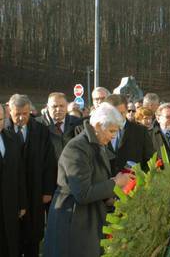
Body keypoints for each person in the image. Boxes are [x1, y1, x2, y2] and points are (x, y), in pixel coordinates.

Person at [44, 103, 135, 257]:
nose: (113, 136)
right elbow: (83, 193)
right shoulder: (77, 148)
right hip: (74, 225)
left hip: (89, 221)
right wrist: (115, 183)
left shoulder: (97, 144)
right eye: (112, 131)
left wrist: (110, 197)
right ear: (98, 126)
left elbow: (97, 181)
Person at [5, 94, 55, 257]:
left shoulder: (40, 130)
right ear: (9, 111)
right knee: (12, 235)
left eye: (25, 114)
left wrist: (48, 190)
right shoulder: (4, 130)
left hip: (35, 191)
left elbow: (49, 162)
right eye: (17, 113)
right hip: (12, 192)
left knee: (33, 235)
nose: (21, 118)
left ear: (30, 111)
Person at [36, 93, 83, 211]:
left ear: (67, 106)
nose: (58, 109)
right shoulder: (37, 125)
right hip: (48, 185)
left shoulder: (78, 124)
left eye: (62, 106)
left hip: (72, 181)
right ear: (47, 107)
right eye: (54, 106)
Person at [0, 104, 27, 257]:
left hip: (10, 204)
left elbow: (19, 173)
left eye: (1, 119)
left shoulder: (12, 139)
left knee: (10, 244)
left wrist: (22, 203)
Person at [104, 94, 154, 174]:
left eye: (120, 113)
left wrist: (138, 177)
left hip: (133, 183)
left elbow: (150, 161)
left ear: (127, 110)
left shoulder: (140, 131)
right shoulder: (99, 131)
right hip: (106, 183)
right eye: (113, 113)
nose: (117, 117)